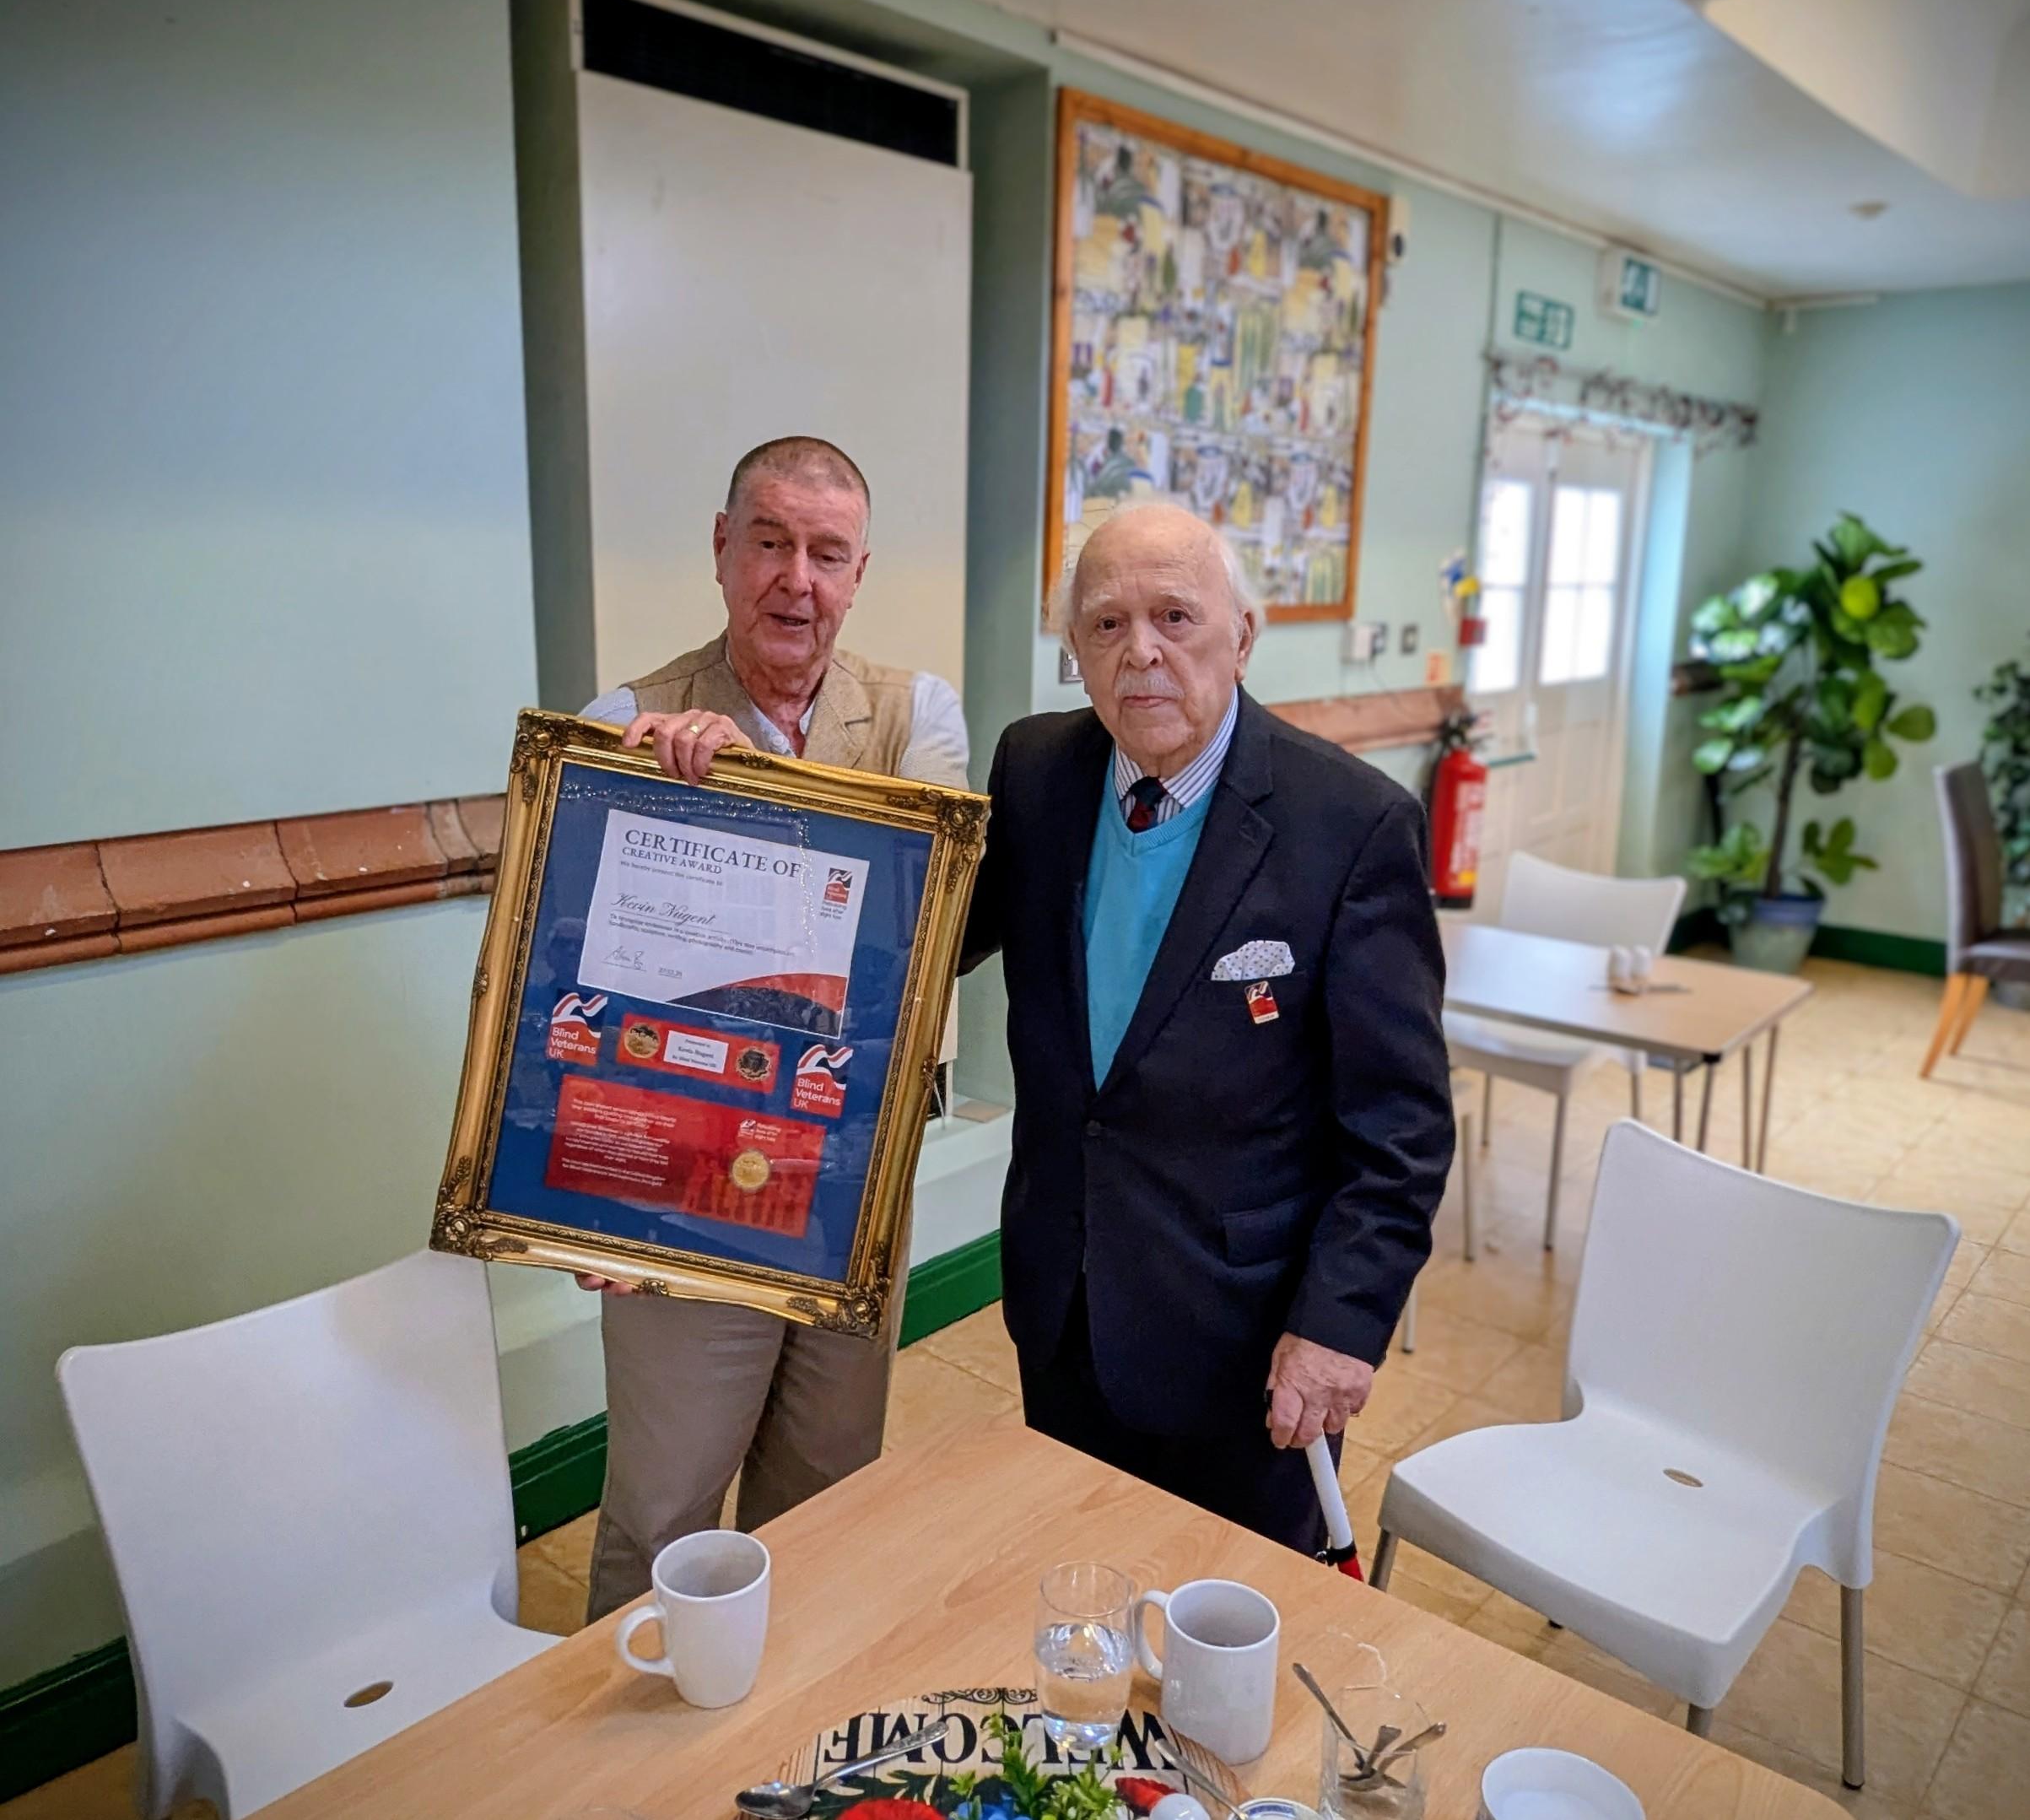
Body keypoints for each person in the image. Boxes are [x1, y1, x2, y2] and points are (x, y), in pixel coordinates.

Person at [959, 502, 1453, 1554]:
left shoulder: (1350, 826)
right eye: (1105, 624)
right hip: (1064, 1302)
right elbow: (925, 937)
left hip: (1245, 1342)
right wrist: (737, 791)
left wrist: (1339, 1325)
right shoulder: (1036, 772)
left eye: (1176, 616)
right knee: (1073, 1597)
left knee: (1218, 1656)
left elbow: (1402, 1130)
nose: (1141, 651)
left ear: (1242, 634)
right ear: (1075, 653)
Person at [576, 435, 967, 1619]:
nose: (796, 578)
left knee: (826, 1485)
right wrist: (575, 1189)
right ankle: (621, 1786)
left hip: (851, 1175)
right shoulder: (623, 719)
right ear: (720, 549)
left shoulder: (917, 714)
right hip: (680, 1185)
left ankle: (788, 1745)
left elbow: (915, 926)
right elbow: (576, 992)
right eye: (770, 542)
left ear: (856, 575)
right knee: (663, 1507)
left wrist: (757, 797)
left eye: (826, 552)